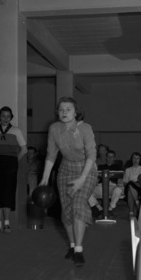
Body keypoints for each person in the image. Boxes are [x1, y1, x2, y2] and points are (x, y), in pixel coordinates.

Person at [39, 96, 97, 267]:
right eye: (61, 109)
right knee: (66, 211)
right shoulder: (54, 129)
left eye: (68, 109)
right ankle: (72, 246)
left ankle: (79, 250)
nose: (64, 112)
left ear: (76, 112)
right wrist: (45, 177)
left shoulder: (85, 128)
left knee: (78, 204)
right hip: (65, 170)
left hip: (86, 169)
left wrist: (82, 179)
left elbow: (92, 155)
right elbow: (51, 154)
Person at [0, 106, 27, 234]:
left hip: (11, 164)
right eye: (3, 116)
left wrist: (14, 160)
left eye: (8, 116)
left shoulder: (16, 131)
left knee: (8, 192)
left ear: (11, 118)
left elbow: (24, 150)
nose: (5, 118)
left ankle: (7, 224)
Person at [88, 150, 123, 219]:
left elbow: (120, 177)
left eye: (111, 157)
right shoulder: (101, 166)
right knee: (87, 191)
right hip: (101, 186)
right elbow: (97, 177)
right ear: (106, 157)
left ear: (114, 158)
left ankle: (110, 209)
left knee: (118, 190)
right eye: (108, 157)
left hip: (112, 186)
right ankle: (100, 209)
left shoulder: (117, 167)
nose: (110, 158)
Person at [123, 152, 141, 218]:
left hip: (140, 187)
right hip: (129, 186)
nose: (135, 160)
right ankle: (137, 203)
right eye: (134, 158)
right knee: (130, 185)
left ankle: (131, 212)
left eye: (137, 158)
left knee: (130, 189)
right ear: (131, 159)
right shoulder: (127, 170)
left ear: (140, 160)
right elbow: (125, 182)